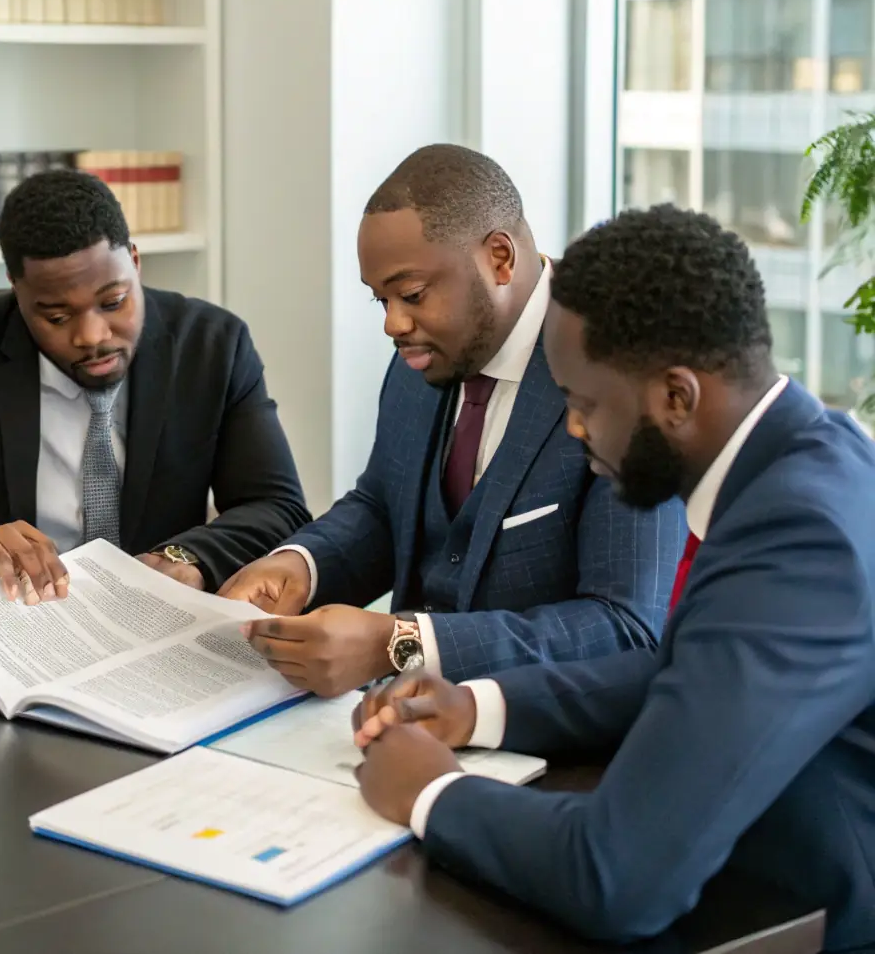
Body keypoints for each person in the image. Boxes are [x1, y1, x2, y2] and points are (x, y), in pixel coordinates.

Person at [351, 204, 875, 952]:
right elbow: (691, 670)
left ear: (676, 396)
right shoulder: (806, 460)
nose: (572, 428)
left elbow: (617, 874)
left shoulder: (800, 537)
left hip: (806, 919)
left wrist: (432, 790)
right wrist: (478, 707)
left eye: (582, 401)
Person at [220, 145, 684, 696]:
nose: (393, 324)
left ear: (500, 258)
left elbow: (625, 629)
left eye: (412, 295)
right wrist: (302, 564)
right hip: (396, 730)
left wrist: (401, 644)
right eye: (381, 300)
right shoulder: (424, 354)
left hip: (547, 750)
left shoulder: (622, 374)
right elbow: (383, 506)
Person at [0, 168, 309, 616]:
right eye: (56, 317)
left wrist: (187, 559)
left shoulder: (212, 346)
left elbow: (277, 506)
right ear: (17, 290)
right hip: (3, 634)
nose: (91, 336)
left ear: (134, 260)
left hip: (153, 633)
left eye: (113, 302)